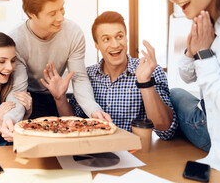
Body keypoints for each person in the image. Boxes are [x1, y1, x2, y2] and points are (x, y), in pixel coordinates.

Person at [1, 0, 111, 142]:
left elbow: (79, 78)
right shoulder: (16, 40)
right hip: (28, 98)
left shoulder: (73, 33)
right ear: (31, 14)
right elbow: (18, 91)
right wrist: (11, 118)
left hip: (58, 96)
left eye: (62, 9)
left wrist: (93, 110)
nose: (60, 17)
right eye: (52, 13)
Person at [166, 0, 220, 174]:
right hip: (217, 149)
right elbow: (186, 75)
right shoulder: (208, 24)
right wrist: (193, 50)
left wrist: (204, 54)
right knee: (174, 92)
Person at [69, 11, 177, 140]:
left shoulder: (150, 71)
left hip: (136, 154)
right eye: (106, 39)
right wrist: (59, 98)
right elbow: (73, 122)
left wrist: (145, 83)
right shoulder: (86, 76)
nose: (115, 45)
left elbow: (165, 129)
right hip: (94, 152)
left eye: (119, 36)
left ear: (126, 38)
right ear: (97, 44)